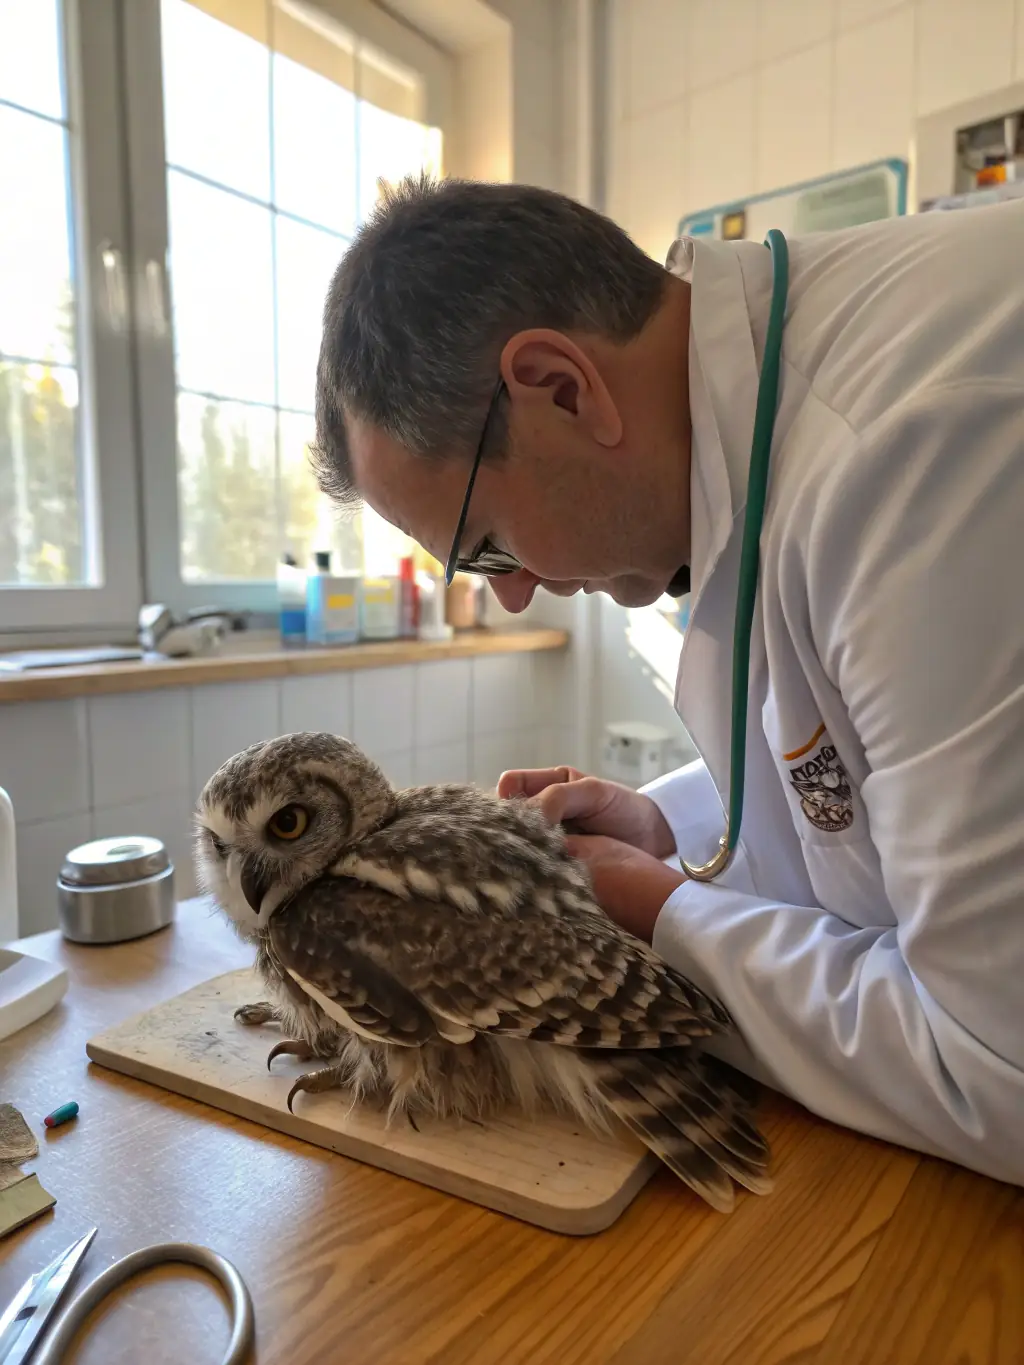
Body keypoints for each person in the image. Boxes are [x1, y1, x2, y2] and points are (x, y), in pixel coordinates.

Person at [311, 174, 1024, 1188]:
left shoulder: (912, 449)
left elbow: (997, 1068)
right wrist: (677, 835)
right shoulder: (775, 419)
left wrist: (659, 914)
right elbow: (876, 778)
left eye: (483, 546)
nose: (512, 597)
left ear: (560, 386)